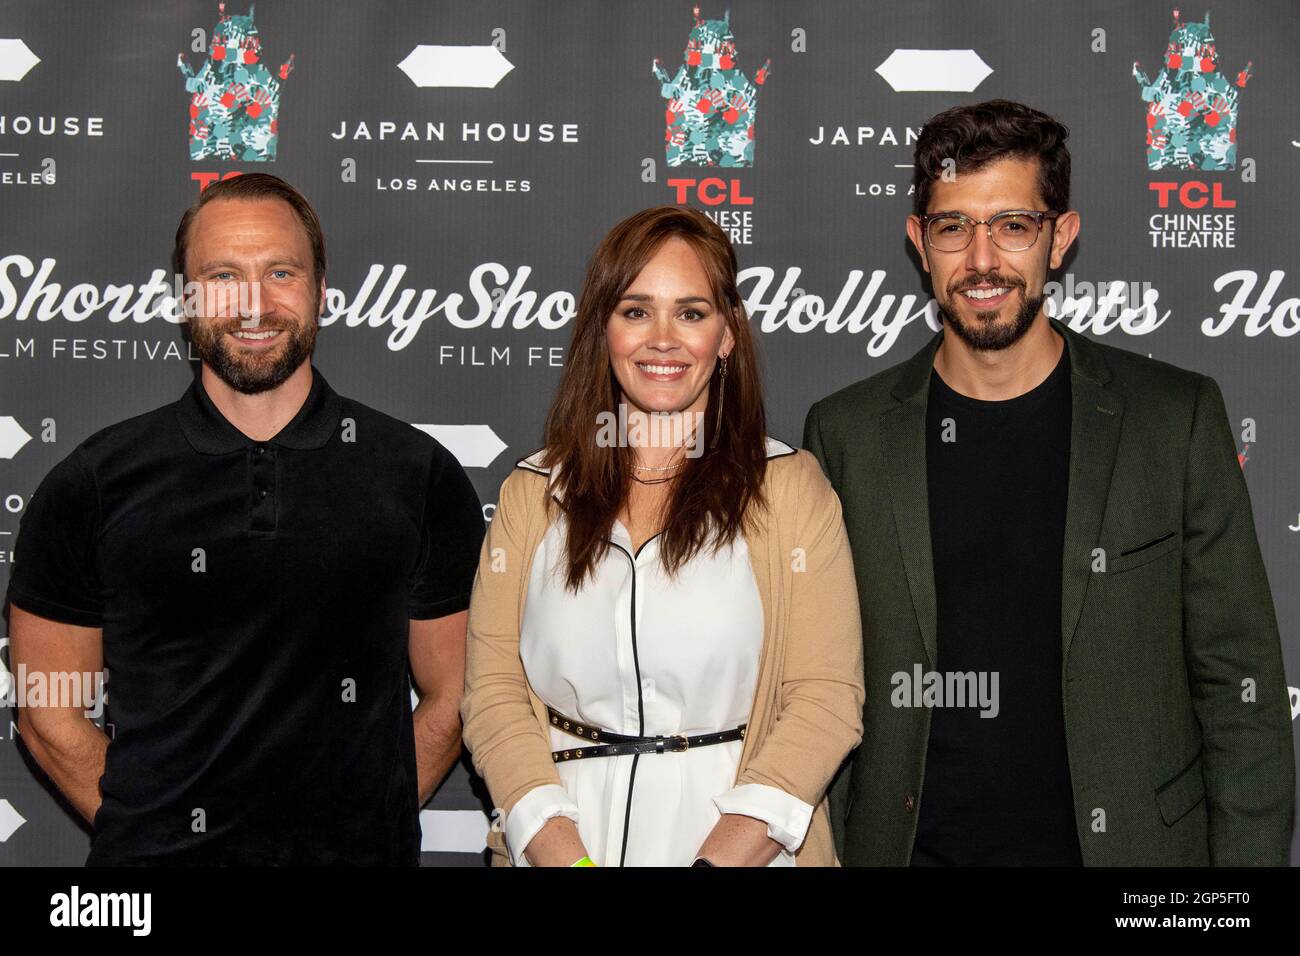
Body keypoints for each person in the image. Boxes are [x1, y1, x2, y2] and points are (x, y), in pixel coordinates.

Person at [805, 99, 1294, 866]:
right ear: (919, 244)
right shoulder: (846, 433)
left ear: (1059, 239)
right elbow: (819, 685)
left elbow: (1241, 688)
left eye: (1013, 225)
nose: (982, 260)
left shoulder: (1172, 419)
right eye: (953, 227)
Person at [5, 173, 485, 865]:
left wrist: (360, 827)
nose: (253, 304)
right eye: (224, 275)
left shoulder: (417, 475)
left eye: (280, 272)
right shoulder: (92, 485)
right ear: (185, 299)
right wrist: (155, 833)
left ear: (321, 291)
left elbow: (458, 693)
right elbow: (48, 714)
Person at [461, 206, 863, 866]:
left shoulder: (791, 490)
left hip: (739, 850)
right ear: (604, 330)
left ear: (727, 334)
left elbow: (825, 702)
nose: (663, 339)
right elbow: (494, 695)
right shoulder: (531, 493)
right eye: (636, 310)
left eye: (692, 312)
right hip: (563, 846)